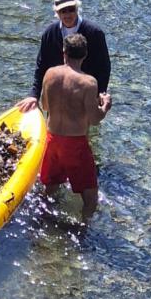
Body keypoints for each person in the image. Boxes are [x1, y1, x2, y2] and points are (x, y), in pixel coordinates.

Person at [40, 34, 112, 220]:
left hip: (52, 138)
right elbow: (95, 119)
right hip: (75, 144)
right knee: (90, 198)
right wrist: (105, 106)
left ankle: (44, 220)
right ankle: (83, 232)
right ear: (85, 55)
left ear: (64, 52)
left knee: (50, 189)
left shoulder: (50, 74)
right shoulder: (88, 83)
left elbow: (45, 106)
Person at [18, 0, 110, 112]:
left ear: (77, 8)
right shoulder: (49, 33)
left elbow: (104, 66)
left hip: (85, 94)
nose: (67, 15)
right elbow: (41, 66)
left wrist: (101, 92)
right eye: (63, 11)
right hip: (58, 95)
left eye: (71, 9)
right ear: (57, 12)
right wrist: (34, 95)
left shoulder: (94, 33)